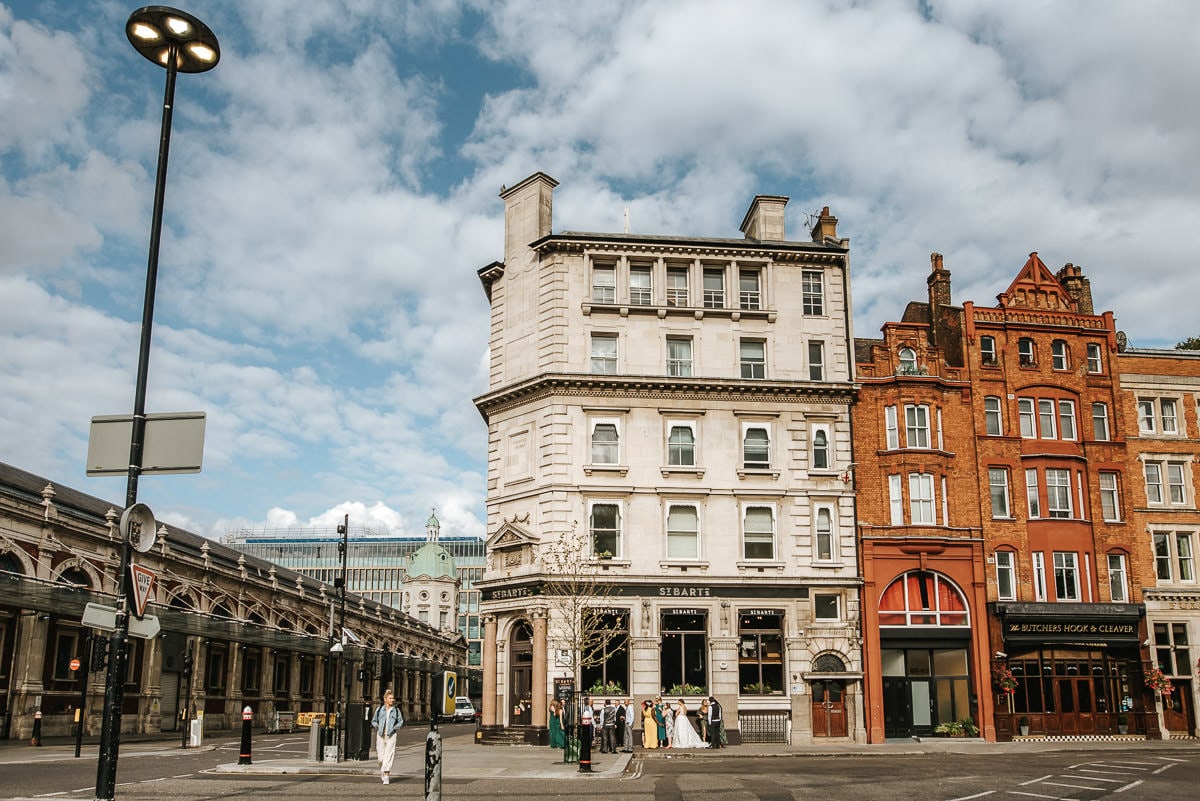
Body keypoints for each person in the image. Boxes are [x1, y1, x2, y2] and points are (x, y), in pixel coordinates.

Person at [370, 689, 404, 784]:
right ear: (385, 699)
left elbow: (401, 721)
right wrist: (377, 726)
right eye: (390, 698)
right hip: (380, 735)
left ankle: (386, 775)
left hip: (391, 735)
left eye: (393, 698)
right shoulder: (379, 710)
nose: (392, 700)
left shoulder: (396, 710)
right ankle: (383, 770)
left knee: (389, 756)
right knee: (381, 758)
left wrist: (395, 727)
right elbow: (373, 721)